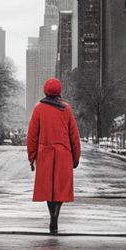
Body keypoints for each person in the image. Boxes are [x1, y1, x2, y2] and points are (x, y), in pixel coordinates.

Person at [26, 77, 81, 234]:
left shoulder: (39, 109)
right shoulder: (66, 109)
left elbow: (32, 136)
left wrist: (32, 157)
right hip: (64, 153)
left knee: (48, 189)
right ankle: (56, 213)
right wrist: (76, 157)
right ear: (59, 91)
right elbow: (74, 136)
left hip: (45, 153)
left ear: (45, 90)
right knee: (61, 188)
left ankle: (52, 215)